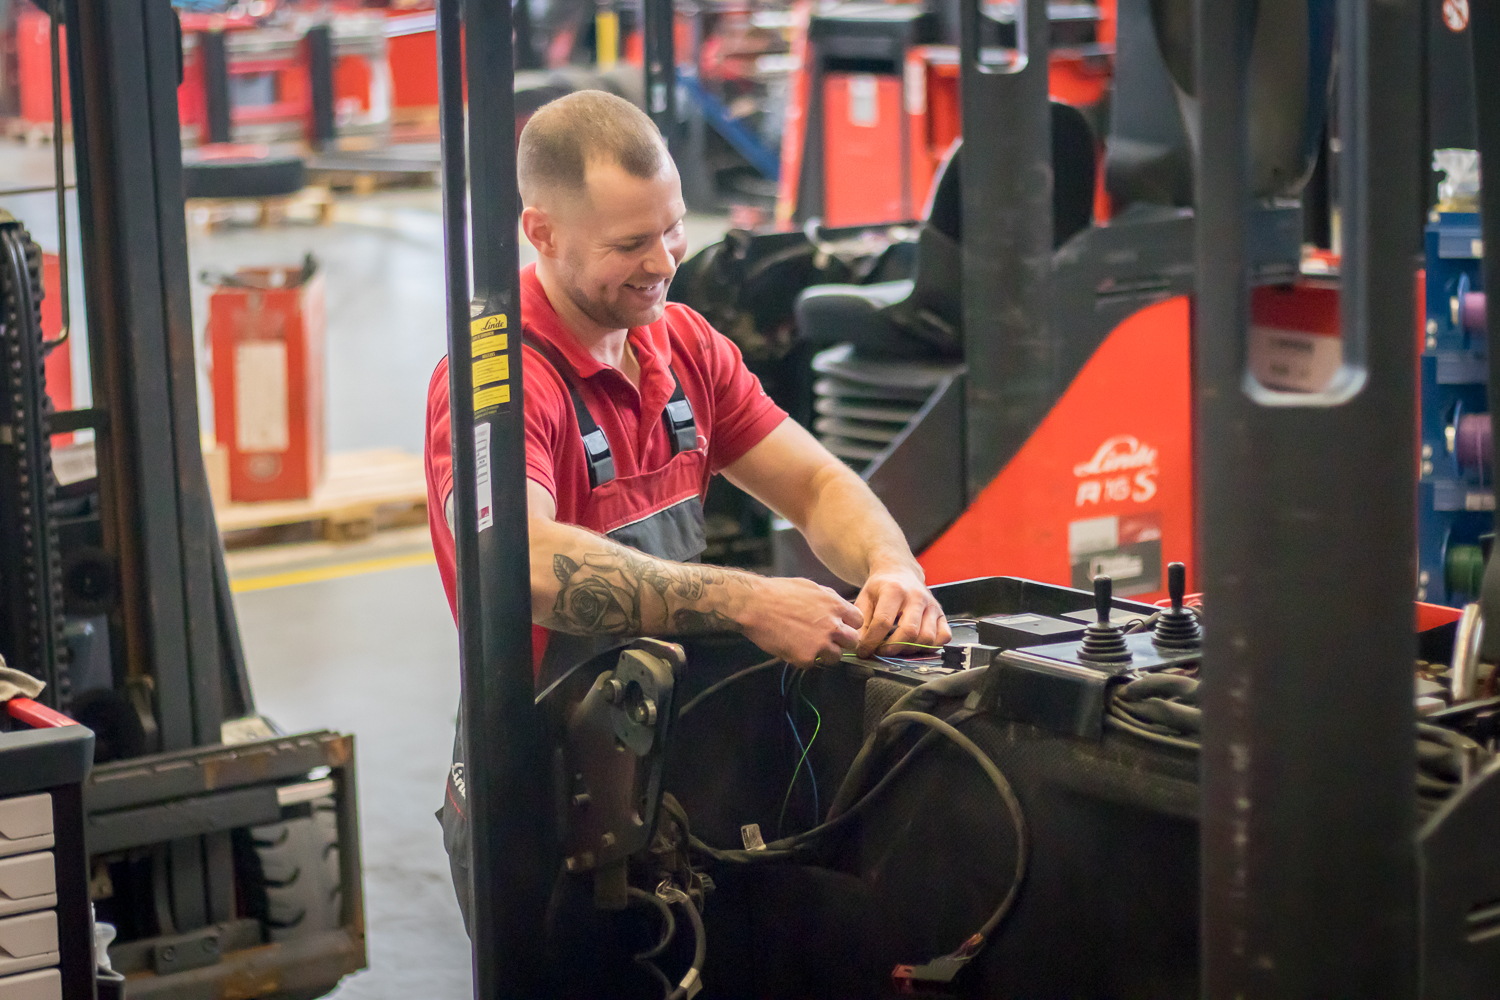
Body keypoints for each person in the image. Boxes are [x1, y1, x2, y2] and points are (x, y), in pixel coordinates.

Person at [424, 89, 950, 930]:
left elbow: (816, 485)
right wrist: (747, 599)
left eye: (672, 228)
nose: (663, 260)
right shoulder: (498, 381)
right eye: (629, 243)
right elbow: (521, 564)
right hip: (542, 795)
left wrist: (892, 568)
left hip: (677, 760)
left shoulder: (683, 342)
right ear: (543, 233)